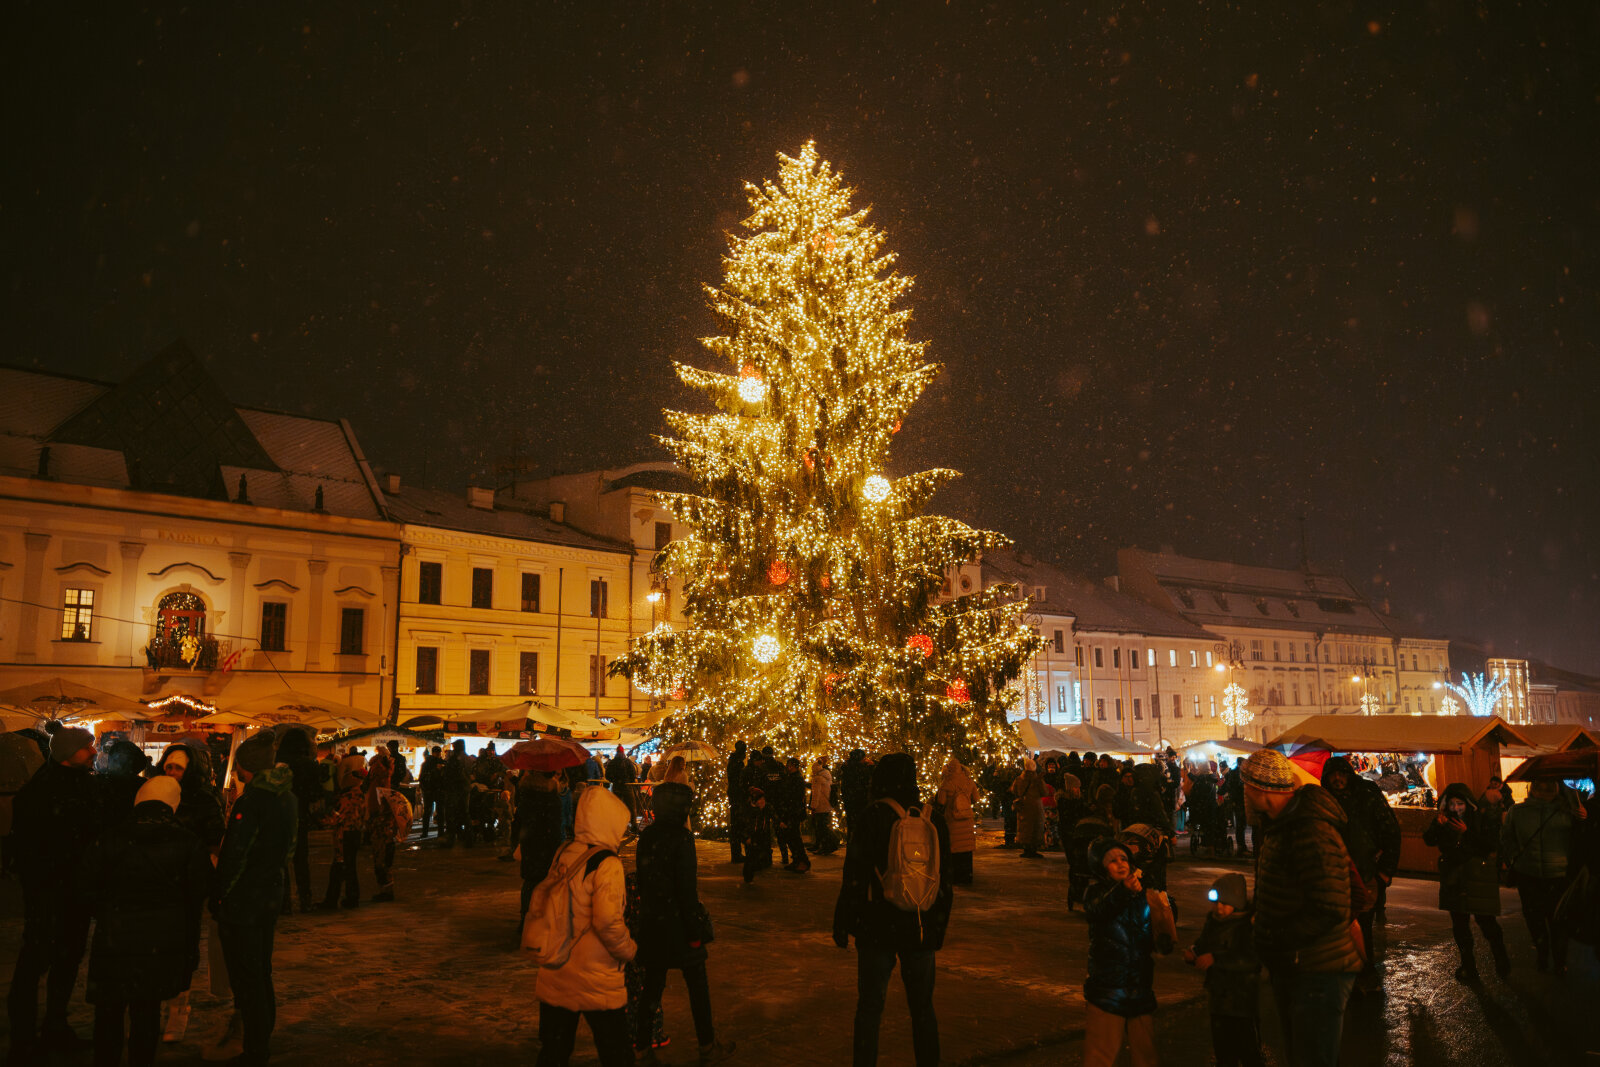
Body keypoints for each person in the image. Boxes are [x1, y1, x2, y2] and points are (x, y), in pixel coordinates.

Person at [78, 775, 210, 1067]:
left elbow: (86, 887)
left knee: (108, 1012)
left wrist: (108, 910)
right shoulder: (187, 842)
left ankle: (106, 1059)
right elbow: (197, 892)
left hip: (114, 938)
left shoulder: (109, 838)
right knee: (146, 1011)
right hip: (159, 940)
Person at [832, 752, 951, 1067]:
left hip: (878, 925)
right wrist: (938, 927)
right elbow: (945, 878)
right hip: (921, 923)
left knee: (870, 1008)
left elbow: (854, 874)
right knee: (922, 1008)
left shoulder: (872, 816)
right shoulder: (933, 819)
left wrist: (844, 921)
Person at [1244, 749, 1361, 1067]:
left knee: (1312, 1058)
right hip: (1297, 966)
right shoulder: (1281, 826)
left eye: (1246, 786)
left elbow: (1330, 906)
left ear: (1261, 788)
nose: (1244, 794)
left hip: (1317, 968)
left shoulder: (1308, 829)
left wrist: (1278, 936)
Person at [6, 726, 99, 1061]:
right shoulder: (43, 792)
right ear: (67, 754)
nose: (93, 752)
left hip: (69, 892)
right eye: (87, 747)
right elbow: (34, 846)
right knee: (38, 961)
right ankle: (25, 1038)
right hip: (51, 892)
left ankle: (52, 1027)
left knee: (65, 960)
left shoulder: (78, 785)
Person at [533, 786, 636, 1067]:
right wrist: (628, 950)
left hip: (557, 968)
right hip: (595, 977)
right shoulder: (607, 864)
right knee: (616, 1052)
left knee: (555, 1051)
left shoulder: (565, 851)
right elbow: (607, 922)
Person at [633, 782, 735, 1066]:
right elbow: (686, 890)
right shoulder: (682, 838)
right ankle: (707, 1044)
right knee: (698, 987)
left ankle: (641, 1046)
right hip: (678, 924)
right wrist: (693, 931)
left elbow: (644, 879)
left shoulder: (648, 836)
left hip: (654, 923)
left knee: (652, 987)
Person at [211, 732, 296, 1067]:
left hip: (245, 898)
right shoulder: (287, 797)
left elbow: (236, 855)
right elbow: (288, 849)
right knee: (261, 972)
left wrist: (220, 894)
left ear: (246, 767)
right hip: (270, 892)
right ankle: (261, 1041)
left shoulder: (253, 801)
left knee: (247, 978)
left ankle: (255, 1048)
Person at [1319, 755, 1400, 990]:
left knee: (1363, 925)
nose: (1337, 779)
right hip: (1333, 873)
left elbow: (1390, 831)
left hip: (1365, 872)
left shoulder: (1366, 793)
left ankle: (1366, 973)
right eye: (1333, 775)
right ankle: (1346, 974)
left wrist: (1384, 872)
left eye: (1341, 774)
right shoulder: (1324, 799)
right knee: (1338, 926)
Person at [1082, 837, 1159, 1067]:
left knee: (1146, 1053)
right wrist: (1123, 891)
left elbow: (1153, 931)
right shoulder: (1095, 892)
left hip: (1139, 984)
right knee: (1101, 1053)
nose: (1120, 864)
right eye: (1112, 861)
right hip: (1108, 986)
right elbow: (1099, 909)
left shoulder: (1141, 893)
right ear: (1101, 867)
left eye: (1123, 859)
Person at [1423, 782, 1510, 981]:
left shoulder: (1479, 818)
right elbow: (1429, 840)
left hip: (1477, 876)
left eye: (1460, 804)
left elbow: (1489, 845)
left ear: (1468, 804)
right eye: (1452, 804)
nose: (1456, 808)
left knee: (1486, 922)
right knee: (1460, 925)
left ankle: (1501, 959)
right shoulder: (1443, 820)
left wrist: (1466, 833)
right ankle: (1468, 966)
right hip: (1453, 878)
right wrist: (1437, 825)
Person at [1501, 778, 1584, 974]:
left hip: (1535, 875)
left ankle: (1544, 956)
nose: (1545, 789)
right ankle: (1556, 960)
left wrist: (1515, 858)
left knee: (1537, 918)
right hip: (1555, 874)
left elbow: (1506, 839)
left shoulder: (1519, 811)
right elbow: (1507, 839)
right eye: (1542, 785)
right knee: (1555, 919)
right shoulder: (1566, 812)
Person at [1185, 872, 1264, 1067]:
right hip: (1219, 1001)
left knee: (1249, 1053)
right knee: (1224, 1053)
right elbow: (1202, 945)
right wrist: (1194, 954)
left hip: (1241, 1003)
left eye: (1225, 903)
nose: (1218, 908)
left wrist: (1216, 959)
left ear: (1236, 904)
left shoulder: (1247, 927)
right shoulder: (1212, 922)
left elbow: (1250, 960)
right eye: (1216, 902)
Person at [273, 728, 323, 913]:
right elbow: (316, 794)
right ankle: (305, 899)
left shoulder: (277, 765)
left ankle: (283, 901)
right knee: (301, 860)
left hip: (279, 816)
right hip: (299, 815)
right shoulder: (308, 765)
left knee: (281, 861)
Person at [517, 771, 567, 919]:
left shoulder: (526, 794)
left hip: (529, 844)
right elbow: (555, 827)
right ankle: (541, 918)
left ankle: (525, 917)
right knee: (546, 883)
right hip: (546, 845)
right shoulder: (551, 797)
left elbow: (520, 821)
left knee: (530, 882)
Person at [934, 758, 979, 886]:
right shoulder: (969, 782)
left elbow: (941, 801)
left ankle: (955, 876)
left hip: (952, 820)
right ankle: (966, 875)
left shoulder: (946, 783)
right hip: (967, 819)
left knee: (954, 847)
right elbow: (976, 798)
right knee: (966, 848)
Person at [99, 740, 152, 824]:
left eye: (122, 760)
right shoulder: (144, 785)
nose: (118, 763)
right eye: (115, 759)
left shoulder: (101, 782)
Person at [776, 757, 811, 873]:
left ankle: (802, 861)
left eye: (790, 765)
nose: (788, 767)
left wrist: (791, 810)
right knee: (791, 838)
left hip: (793, 812)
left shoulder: (796, 779)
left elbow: (795, 797)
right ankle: (797, 860)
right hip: (791, 811)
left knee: (794, 838)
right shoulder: (791, 777)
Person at [441, 739, 473, 847]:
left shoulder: (455, 759)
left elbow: (451, 774)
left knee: (452, 814)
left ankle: (451, 838)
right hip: (464, 789)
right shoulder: (467, 758)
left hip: (455, 790)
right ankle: (467, 837)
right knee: (464, 813)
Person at [1012, 757, 1046, 859]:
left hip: (1023, 806)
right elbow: (1044, 792)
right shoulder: (1038, 779)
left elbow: (1014, 790)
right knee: (1035, 827)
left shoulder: (1019, 779)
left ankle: (1026, 849)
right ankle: (1033, 849)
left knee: (1024, 828)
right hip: (1036, 807)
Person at [741, 786, 774, 884]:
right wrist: (747, 837)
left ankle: (755, 869)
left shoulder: (765, 809)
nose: (762, 801)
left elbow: (772, 815)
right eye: (760, 800)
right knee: (751, 857)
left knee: (759, 855)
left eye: (763, 799)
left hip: (761, 836)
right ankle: (748, 876)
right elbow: (744, 825)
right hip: (751, 837)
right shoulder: (749, 811)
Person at [839, 749, 873, 842]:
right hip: (861, 802)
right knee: (862, 828)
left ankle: (852, 844)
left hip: (850, 802)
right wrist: (871, 767)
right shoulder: (863, 770)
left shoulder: (847, 769)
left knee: (852, 827)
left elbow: (844, 787)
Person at [725, 741, 748, 864]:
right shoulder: (737, 763)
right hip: (737, 797)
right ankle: (736, 854)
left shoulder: (733, 761)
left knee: (736, 826)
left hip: (734, 796)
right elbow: (738, 781)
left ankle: (736, 853)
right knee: (738, 825)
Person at [418, 746, 444, 837]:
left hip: (429, 791)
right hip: (437, 790)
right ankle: (440, 832)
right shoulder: (441, 763)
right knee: (440, 812)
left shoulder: (426, 763)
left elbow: (421, 778)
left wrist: (424, 788)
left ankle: (425, 832)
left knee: (427, 812)